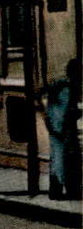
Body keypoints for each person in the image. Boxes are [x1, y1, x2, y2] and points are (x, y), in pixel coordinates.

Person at [45, 59, 81, 202]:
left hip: (56, 128)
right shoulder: (67, 88)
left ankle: (57, 190)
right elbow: (65, 111)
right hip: (62, 130)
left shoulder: (59, 85)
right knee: (64, 160)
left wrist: (49, 123)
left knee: (57, 160)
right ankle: (66, 190)